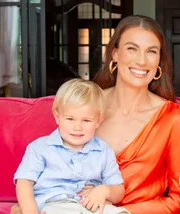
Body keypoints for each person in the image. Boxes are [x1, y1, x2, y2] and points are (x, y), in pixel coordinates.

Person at [12, 15, 180, 214]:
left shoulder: (174, 118)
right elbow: (49, 170)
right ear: (115, 53)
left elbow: (179, 198)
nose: (141, 60)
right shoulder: (84, 105)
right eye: (132, 48)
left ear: (159, 61)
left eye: (151, 51)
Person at [14, 78, 128, 214]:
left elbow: (119, 190)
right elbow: (24, 182)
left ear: (98, 121)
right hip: (55, 204)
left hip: (90, 204)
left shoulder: (103, 150)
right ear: (57, 117)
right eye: (70, 119)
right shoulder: (39, 148)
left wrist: (104, 191)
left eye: (86, 120)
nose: (77, 127)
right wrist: (30, 211)